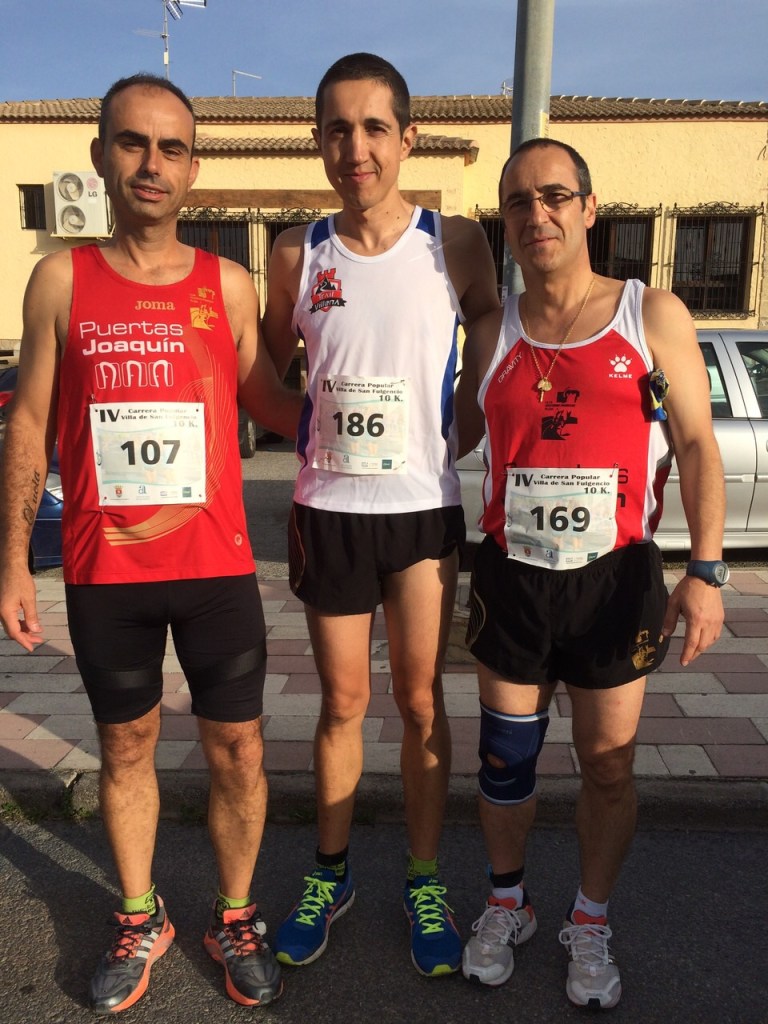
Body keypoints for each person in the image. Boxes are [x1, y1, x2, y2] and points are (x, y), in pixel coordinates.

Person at [0, 74, 301, 1014]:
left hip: (215, 567)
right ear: (101, 156)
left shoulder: (230, 286)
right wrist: (12, 557)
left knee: (239, 753)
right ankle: (142, 916)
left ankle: (236, 915)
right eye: (133, 143)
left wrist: (384, 393)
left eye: (172, 148)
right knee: (125, 746)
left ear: (194, 169)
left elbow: (275, 405)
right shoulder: (61, 278)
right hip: (105, 570)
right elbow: (30, 421)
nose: (152, 164)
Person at [454, 138, 725, 1009]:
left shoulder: (652, 314)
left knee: (608, 766)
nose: (538, 215)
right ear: (506, 219)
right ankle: (507, 905)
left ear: (589, 208)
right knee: (505, 762)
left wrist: (707, 570)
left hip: (615, 579)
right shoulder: (492, 329)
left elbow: (694, 445)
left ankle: (591, 920)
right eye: (520, 202)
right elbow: (443, 437)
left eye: (555, 197)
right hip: (512, 579)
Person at [261, 52, 500, 977]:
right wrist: (300, 428)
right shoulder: (297, 252)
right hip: (330, 509)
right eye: (336, 129)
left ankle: (426, 877)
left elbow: (487, 317)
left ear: (406, 137)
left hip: (421, 512)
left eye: (372, 128)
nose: (354, 147)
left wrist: (471, 408)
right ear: (319, 142)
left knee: (420, 702)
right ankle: (331, 874)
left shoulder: (458, 240)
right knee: (343, 704)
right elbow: (268, 369)